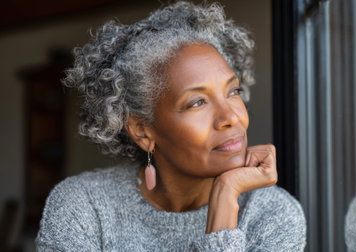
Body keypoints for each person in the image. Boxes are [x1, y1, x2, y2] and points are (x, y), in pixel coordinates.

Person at [35, 1, 306, 251]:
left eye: (232, 92)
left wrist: (225, 197)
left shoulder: (273, 213)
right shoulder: (83, 207)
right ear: (143, 131)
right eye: (197, 102)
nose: (231, 118)